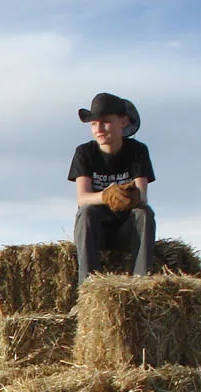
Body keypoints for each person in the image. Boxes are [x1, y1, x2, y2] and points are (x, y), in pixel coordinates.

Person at [69, 92, 156, 285]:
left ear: (123, 122)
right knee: (86, 212)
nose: (98, 129)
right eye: (93, 124)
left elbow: (142, 195)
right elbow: (82, 197)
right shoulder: (84, 152)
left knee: (144, 213)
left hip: (127, 230)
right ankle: (88, 288)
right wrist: (107, 195)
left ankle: (140, 284)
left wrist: (132, 196)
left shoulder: (137, 151)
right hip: (97, 231)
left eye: (105, 122)